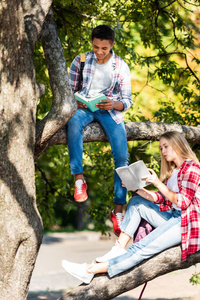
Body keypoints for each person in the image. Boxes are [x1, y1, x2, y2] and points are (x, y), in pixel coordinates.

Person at [62, 131, 200, 284]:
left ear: (178, 145)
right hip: (173, 217)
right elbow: (163, 199)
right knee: (136, 203)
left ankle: (90, 270)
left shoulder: (192, 168)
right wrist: (136, 189)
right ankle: (119, 248)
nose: (163, 151)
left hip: (186, 223)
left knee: (142, 247)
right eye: (161, 148)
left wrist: (157, 183)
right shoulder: (174, 171)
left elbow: (183, 202)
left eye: (166, 146)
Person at [67, 25, 132, 235]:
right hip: (83, 108)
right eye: (96, 47)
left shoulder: (121, 66)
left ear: (112, 45)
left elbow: (127, 101)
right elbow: (68, 92)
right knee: (73, 124)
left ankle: (118, 210)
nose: (99, 52)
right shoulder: (81, 60)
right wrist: (77, 103)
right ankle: (79, 179)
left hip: (109, 111)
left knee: (122, 157)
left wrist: (113, 104)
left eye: (104, 48)